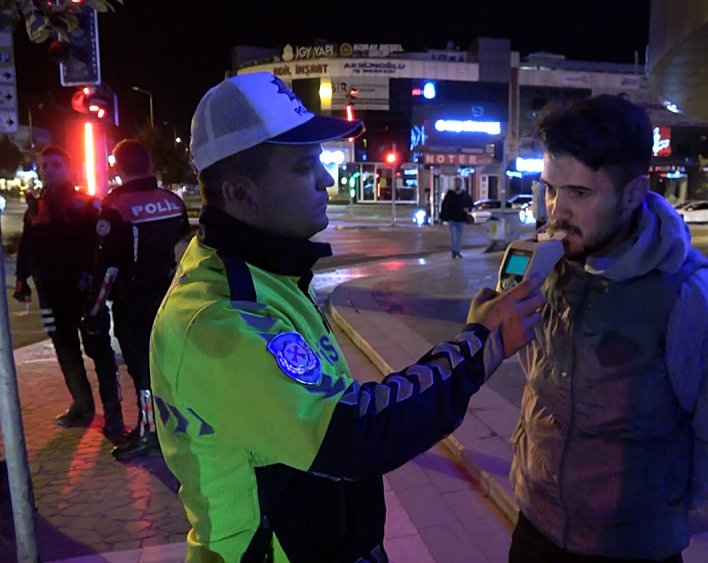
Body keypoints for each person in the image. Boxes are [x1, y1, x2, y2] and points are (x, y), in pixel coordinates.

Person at [150, 71, 545, 562]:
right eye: (302, 166)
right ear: (240, 193)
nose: (326, 179)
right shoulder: (218, 320)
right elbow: (350, 433)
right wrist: (481, 343)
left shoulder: (268, 277)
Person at [509, 95, 708, 563]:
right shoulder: (549, 266)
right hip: (536, 526)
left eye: (578, 193)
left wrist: (653, 510)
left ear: (632, 193)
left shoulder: (693, 297)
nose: (555, 211)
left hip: (632, 547)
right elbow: (535, 377)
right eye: (549, 189)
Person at [82, 139, 189, 460]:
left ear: (117, 166)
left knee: (142, 367)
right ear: (149, 163)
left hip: (134, 302)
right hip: (171, 296)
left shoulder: (116, 208)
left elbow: (109, 267)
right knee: (170, 362)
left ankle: (148, 432)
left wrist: (93, 309)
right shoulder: (172, 201)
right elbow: (184, 249)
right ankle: (177, 426)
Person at [13, 147, 124, 441]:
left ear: (70, 169)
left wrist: (95, 282)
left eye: (56, 165)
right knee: (65, 350)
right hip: (50, 293)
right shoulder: (35, 209)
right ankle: (82, 404)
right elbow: (27, 247)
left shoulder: (85, 205)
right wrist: (21, 280)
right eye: (44, 165)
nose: (49, 169)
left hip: (85, 292)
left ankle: (114, 413)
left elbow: (100, 247)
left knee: (99, 351)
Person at [440, 176, 473, 258]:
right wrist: (443, 217)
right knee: (454, 235)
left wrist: (468, 208)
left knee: (459, 236)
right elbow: (444, 206)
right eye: (456, 183)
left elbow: (470, 204)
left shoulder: (464, 194)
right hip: (452, 218)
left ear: (461, 184)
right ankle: (454, 251)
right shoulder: (450, 194)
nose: (457, 184)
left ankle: (457, 251)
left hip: (461, 218)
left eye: (458, 183)